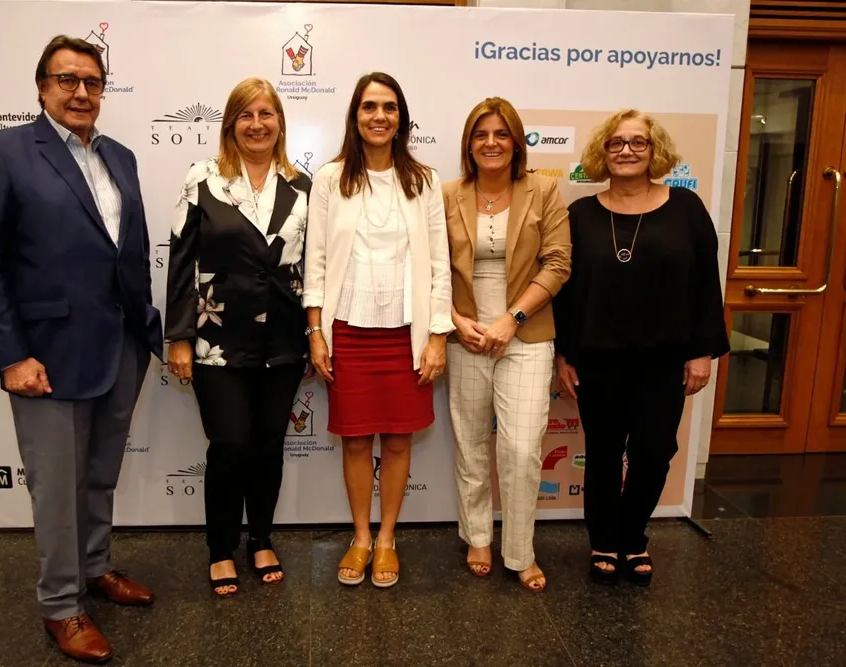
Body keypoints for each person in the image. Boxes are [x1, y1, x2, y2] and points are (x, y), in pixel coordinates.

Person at [0, 35, 162, 663]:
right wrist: (11, 355)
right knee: (56, 487)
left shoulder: (121, 157)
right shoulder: (4, 152)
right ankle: (60, 604)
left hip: (120, 347)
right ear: (42, 87)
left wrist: (148, 332)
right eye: (67, 80)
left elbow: (126, 254)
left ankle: (96, 568)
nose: (81, 92)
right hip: (46, 356)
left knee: (100, 474)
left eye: (92, 82)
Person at [552, 109, 729, 587]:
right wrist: (563, 354)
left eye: (638, 143)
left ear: (655, 151)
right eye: (616, 143)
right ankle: (604, 541)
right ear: (602, 153)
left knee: (654, 454)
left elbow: (706, 285)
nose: (626, 151)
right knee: (604, 455)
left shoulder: (687, 208)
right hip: (598, 359)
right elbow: (567, 292)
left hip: (664, 360)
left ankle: (634, 536)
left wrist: (702, 352)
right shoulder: (581, 214)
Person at [303, 72, 453, 589]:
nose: (379, 116)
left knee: (396, 440)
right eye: (369, 106)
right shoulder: (331, 178)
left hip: (406, 334)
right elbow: (316, 260)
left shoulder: (426, 180)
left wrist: (438, 335)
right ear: (355, 115)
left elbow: (439, 265)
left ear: (401, 117)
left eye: (389, 107)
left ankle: (387, 538)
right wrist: (315, 331)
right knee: (352, 441)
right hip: (348, 330)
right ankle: (361, 537)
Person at [165, 78, 311, 598]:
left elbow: (313, 268)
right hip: (215, 339)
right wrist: (178, 337)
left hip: (285, 343)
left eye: (266, 113)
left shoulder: (302, 185)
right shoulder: (202, 180)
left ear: (279, 122)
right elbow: (181, 261)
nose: (257, 124)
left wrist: (315, 336)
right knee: (230, 444)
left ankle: (263, 538)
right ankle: (221, 547)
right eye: (245, 115)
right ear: (231, 124)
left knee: (269, 445)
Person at [443, 97, 571, 591]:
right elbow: (433, 268)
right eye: (481, 134)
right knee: (471, 443)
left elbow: (558, 263)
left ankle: (520, 549)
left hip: (526, 333)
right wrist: (456, 320)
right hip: (465, 335)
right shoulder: (447, 193)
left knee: (519, 448)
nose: (491, 143)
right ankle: (477, 535)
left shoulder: (543, 190)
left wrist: (511, 319)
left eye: (501, 134)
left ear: (516, 141)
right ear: (469, 144)